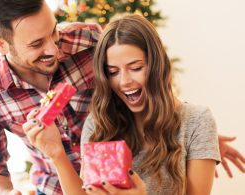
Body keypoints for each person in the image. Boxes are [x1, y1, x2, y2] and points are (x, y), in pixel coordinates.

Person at [0, 0, 245, 194]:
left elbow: (134, 56)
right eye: (37, 44)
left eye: (54, 31)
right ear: (1, 44)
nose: (55, 48)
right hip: (56, 186)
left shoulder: (88, 39)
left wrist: (192, 132)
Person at [23, 14, 219, 195]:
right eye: (113, 72)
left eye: (135, 68)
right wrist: (57, 155)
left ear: (157, 66)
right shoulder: (99, 123)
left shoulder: (196, 121)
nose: (124, 81)